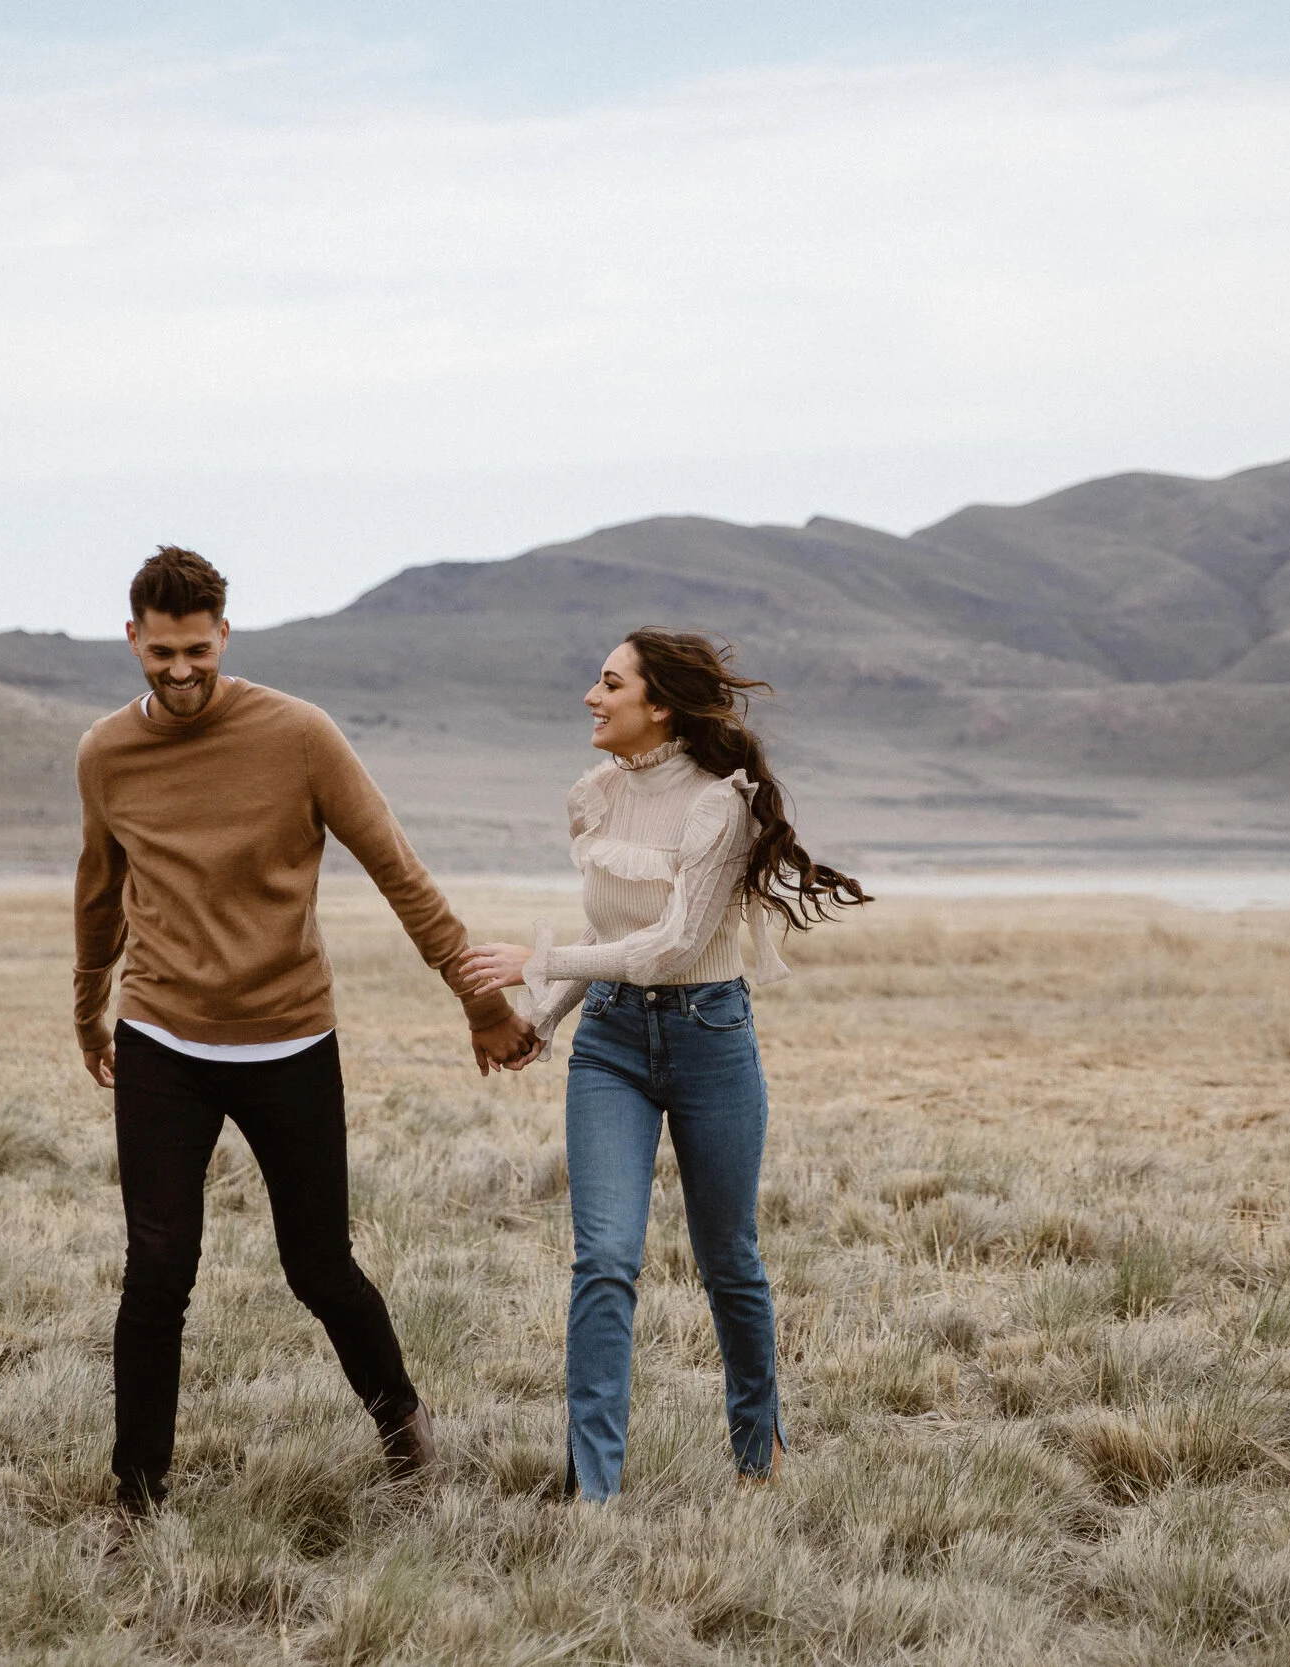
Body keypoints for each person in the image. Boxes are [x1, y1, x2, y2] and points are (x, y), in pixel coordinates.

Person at [75, 546, 541, 1513]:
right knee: (157, 1267)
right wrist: (89, 1005)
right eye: (160, 652)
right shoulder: (105, 754)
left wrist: (478, 997)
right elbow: (99, 891)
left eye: (196, 649)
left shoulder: (299, 735)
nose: (179, 670)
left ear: (224, 636)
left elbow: (399, 872)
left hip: (288, 1038)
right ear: (132, 639)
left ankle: (404, 1428)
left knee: (318, 1263)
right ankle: (138, 1497)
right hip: (164, 1035)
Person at [458, 628, 867, 1502]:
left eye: (609, 684)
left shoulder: (722, 804)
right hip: (609, 1043)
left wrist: (539, 964)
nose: (589, 698)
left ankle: (758, 1453)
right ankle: (593, 1492)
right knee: (604, 1258)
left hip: (709, 1037)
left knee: (729, 1259)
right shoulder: (597, 794)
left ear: (660, 704)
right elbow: (616, 941)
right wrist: (545, 1018)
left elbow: (676, 942)